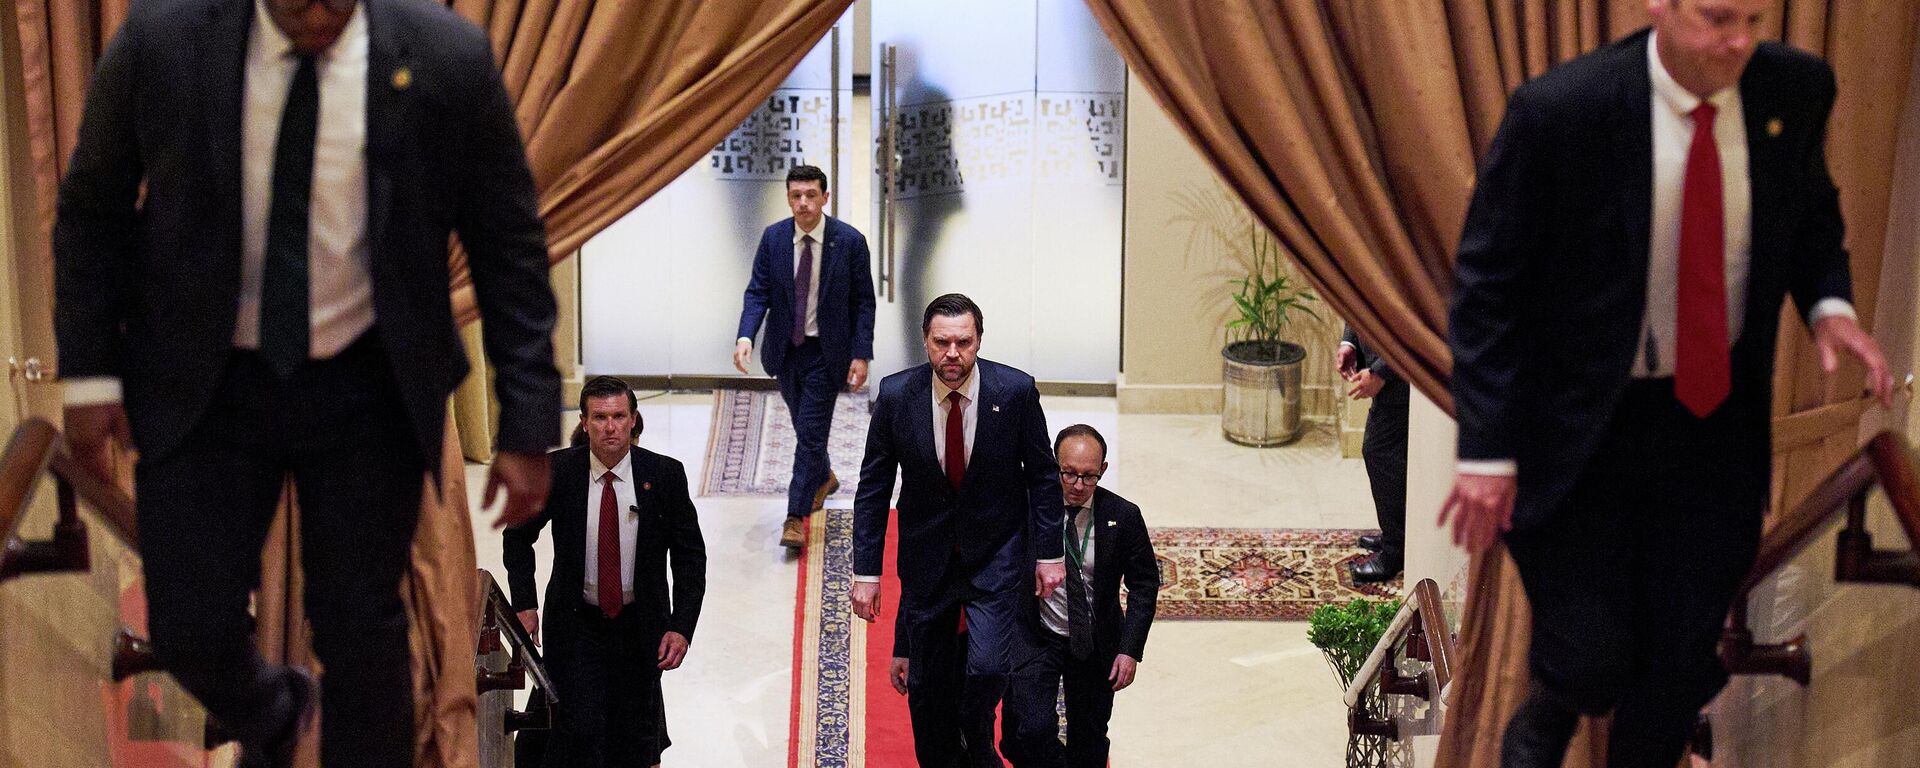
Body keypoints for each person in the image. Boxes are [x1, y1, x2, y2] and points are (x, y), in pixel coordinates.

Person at [53, 0, 561, 765]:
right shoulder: (161, 44)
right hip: (206, 380)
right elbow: (93, 210)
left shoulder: (447, 56)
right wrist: (90, 378)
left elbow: (508, 239)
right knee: (187, 624)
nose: (319, 11)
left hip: (367, 384)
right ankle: (281, 714)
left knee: (364, 633)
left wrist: (527, 419)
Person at [1440, 1, 1896, 766]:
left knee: (1677, 669)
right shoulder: (1562, 111)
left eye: (1753, 19)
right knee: (1588, 660)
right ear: (1660, 4)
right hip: (1584, 428)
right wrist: (1486, 453)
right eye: (1716, 19)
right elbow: (1488, 288)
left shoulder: (1796, 88)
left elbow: (1811, 213)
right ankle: (1546, 716)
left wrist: (1830, 306)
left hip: (1716, 428)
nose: (1738, 43)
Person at [852, 293, 1065, 767]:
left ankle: (975, 730)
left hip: (995, 552)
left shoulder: (1014, 392)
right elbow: (873, 488)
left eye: (963, 343)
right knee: (927, 689)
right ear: (925, 341)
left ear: (979, 341)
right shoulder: (896, 395)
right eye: (941, 342)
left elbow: (1043, 476)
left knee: (988, 666)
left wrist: (1049, 553)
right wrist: (866, 573)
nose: (953, 354)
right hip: (928, 559)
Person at [503, 376, 706, 768]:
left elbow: (690, 558)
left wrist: (681, 626)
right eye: (599, 417)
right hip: (577, 625)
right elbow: (517, 536)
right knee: (581, 731)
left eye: (618, 416)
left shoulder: (664, 475)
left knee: (633, 734)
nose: (610, 427)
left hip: (640, 627)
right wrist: (524, 604)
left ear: (633, 420)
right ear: (584, 422)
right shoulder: (558, 472)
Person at [734, 164, 878, 549]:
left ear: (825, 197)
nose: (803, 203)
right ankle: (824, 476)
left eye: (811, 195)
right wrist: (746, 335)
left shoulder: (849, 242)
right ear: (788, 198)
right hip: (785, 351)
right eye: (796, 196)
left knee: (811, 432)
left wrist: (861, 354)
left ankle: (795, 516)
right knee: (805, 428)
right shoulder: (774, 238)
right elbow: (757, 292)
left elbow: (864, 302)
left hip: (827, 353)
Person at [1001, 425, 1159, 768]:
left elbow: (1145, 585)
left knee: (1089, 739)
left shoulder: (1123, 516)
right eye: (1068, 473)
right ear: (1054, 466)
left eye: (1089, 477)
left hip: (1093, 640)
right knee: (1027, 732)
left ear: (1103, 470)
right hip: (1037, 634)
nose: (1077, 485)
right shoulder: (1027, 505)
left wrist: (1129, 649)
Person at [1338, 327, 1410, 583]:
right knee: (1389, 456)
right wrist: (1350, 342)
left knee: (1381, 454)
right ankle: (1397, 535)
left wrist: (1381, 371)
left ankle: (1396, 550)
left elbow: (1410, 327)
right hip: (1390, 371)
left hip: (1401, 376)